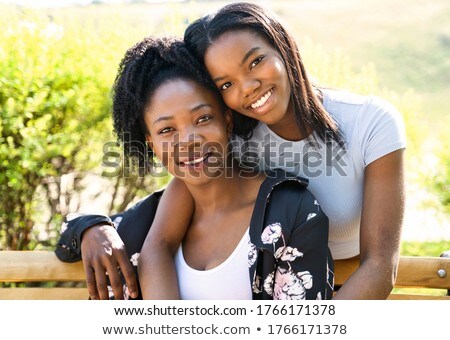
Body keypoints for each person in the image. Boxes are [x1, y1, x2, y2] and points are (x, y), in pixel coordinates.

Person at [57, 1, 406, 299]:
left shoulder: (370, 123)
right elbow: (157, 238)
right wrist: (91, 225)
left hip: (346, 296)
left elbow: (379, 266)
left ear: (282, 45)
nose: (249, 88)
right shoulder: (236, 138)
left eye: (255, 62)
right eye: (226, 84)